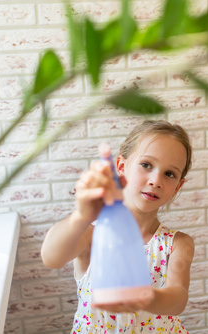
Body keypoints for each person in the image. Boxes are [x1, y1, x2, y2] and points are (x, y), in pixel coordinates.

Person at [41, 120, 195, 334]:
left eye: (169, 174)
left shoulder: (177, 244)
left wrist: (146, 297)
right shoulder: (92, 234)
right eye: (147, 165)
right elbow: (51, 257)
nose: (155, 180)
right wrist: (81, 216)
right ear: (121, 167)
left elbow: (177, 299)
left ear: (178, 186)